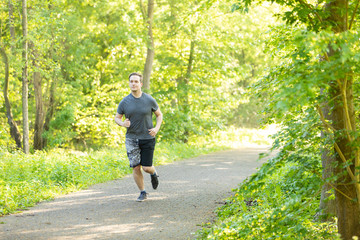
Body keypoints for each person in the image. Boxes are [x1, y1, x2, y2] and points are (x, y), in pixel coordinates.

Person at [115, 72, 163, 202]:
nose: (133, 84)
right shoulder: (125, 102)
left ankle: (154, 173)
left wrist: (156, 129)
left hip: (147, 137)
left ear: (140, 84)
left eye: (136, 81)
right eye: (131, 81)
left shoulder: (149, 100)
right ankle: (143, 192)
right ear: (129, 83)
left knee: (146, 167)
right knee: (136, 166)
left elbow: (159, 115)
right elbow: (117, 118)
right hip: (131, 139)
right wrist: (123, 123)